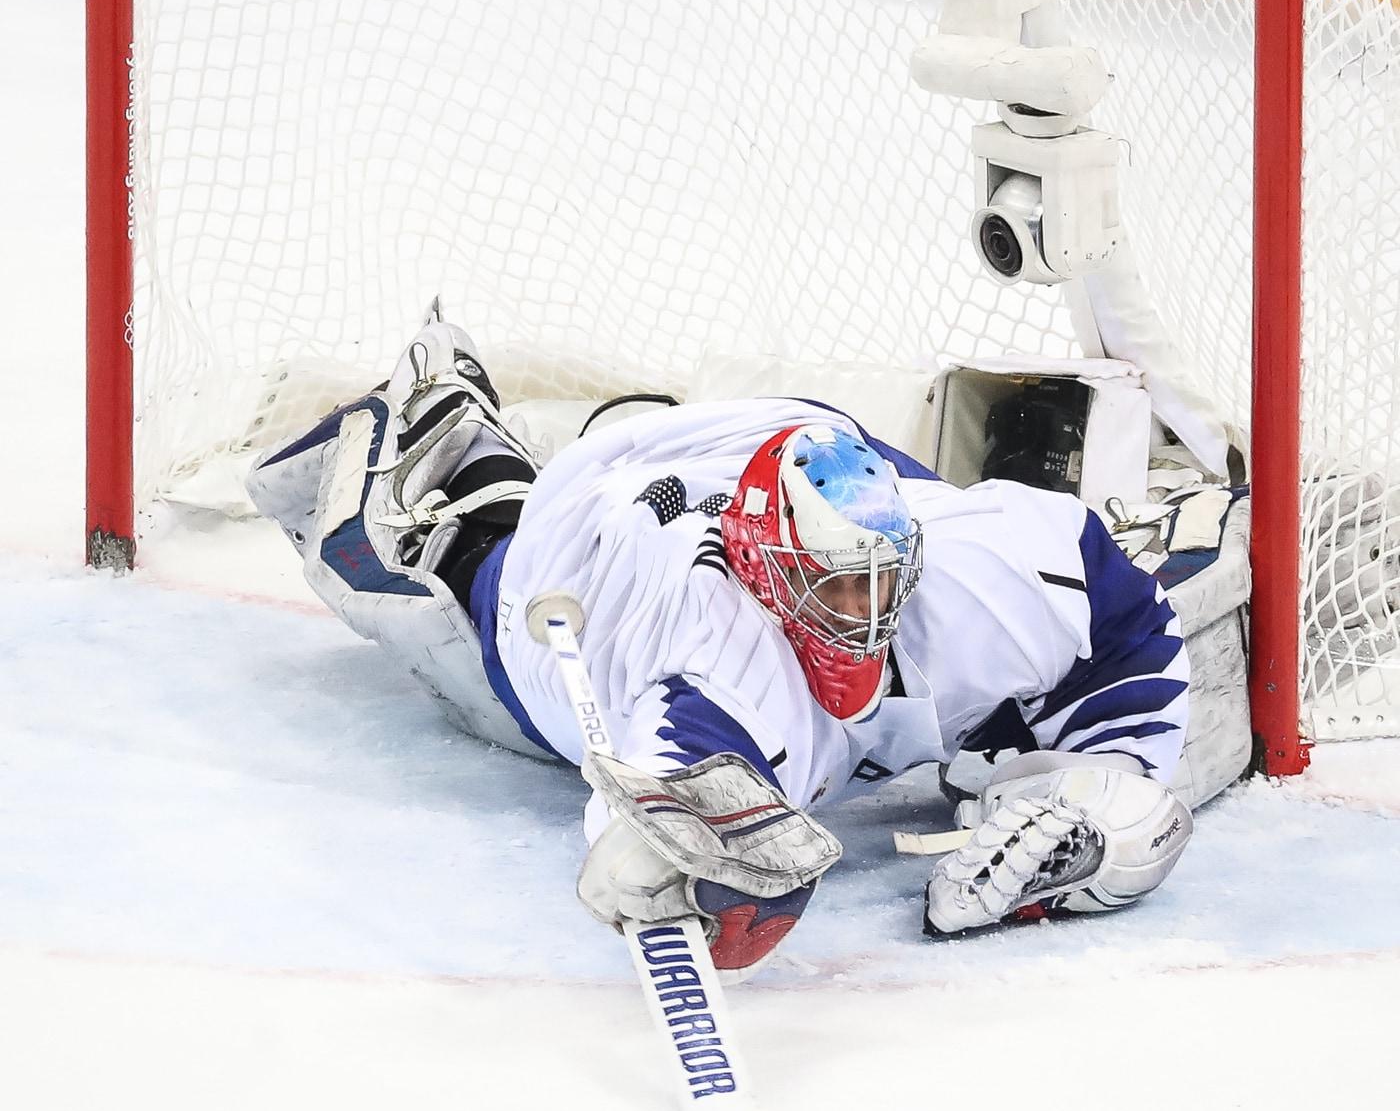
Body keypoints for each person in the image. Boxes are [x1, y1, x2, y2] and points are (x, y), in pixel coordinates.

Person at [250, 307, 1193, 970]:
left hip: (783, 439)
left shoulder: (978, 561)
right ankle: (445, 434)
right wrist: (683, 864)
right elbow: (671, 803)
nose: (863, 614)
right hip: (579, 546)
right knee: (436, 587)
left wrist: (1108, 785)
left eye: (880, 580)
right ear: (765, 573)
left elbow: (1124, 617)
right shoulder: (711, 670)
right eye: (835, 587)